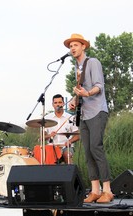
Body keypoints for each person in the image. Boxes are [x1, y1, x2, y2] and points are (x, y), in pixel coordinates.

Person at [65, 33, 113, 203]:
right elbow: (81, 93)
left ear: (83, 46)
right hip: (84, 114)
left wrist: (87, 92)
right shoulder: (76, 69)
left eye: (75, 45)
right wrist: (74, 100)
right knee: (87, 152)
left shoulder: (92, 63)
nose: (72, 48)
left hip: (97, 111)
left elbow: (99, 86)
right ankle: (95, 190)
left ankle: (107, 190)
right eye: (70, 46)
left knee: (96, 148)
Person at [44, 94, 79, 164]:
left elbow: (78, 135)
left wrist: (70, 141)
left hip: (66, 147)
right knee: (49, 158)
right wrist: (49, 135)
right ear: (52, 104)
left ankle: (71, 174)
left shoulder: (71, 117)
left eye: (60, 102)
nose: (58, 104)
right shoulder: (47, 118)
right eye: (55, 103)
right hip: (52, 147)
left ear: (63, 103)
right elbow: (42, 137)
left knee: (67, 155)